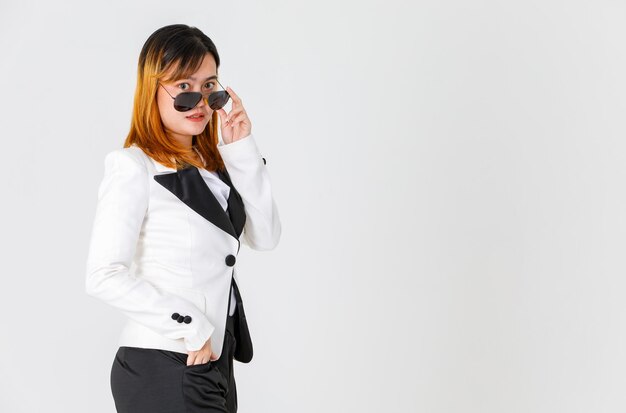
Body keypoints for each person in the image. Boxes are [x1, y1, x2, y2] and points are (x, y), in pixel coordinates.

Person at [85, 24, 281, 413]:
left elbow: (266, 235)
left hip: (213, 363)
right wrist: (192, 327)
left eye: (210, 87)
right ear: (152, 90)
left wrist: (240, 146)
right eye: (184, 87)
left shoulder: (216, 172)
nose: (200, 102)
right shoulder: (133, 167)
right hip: (166, 360)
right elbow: (103, 274)